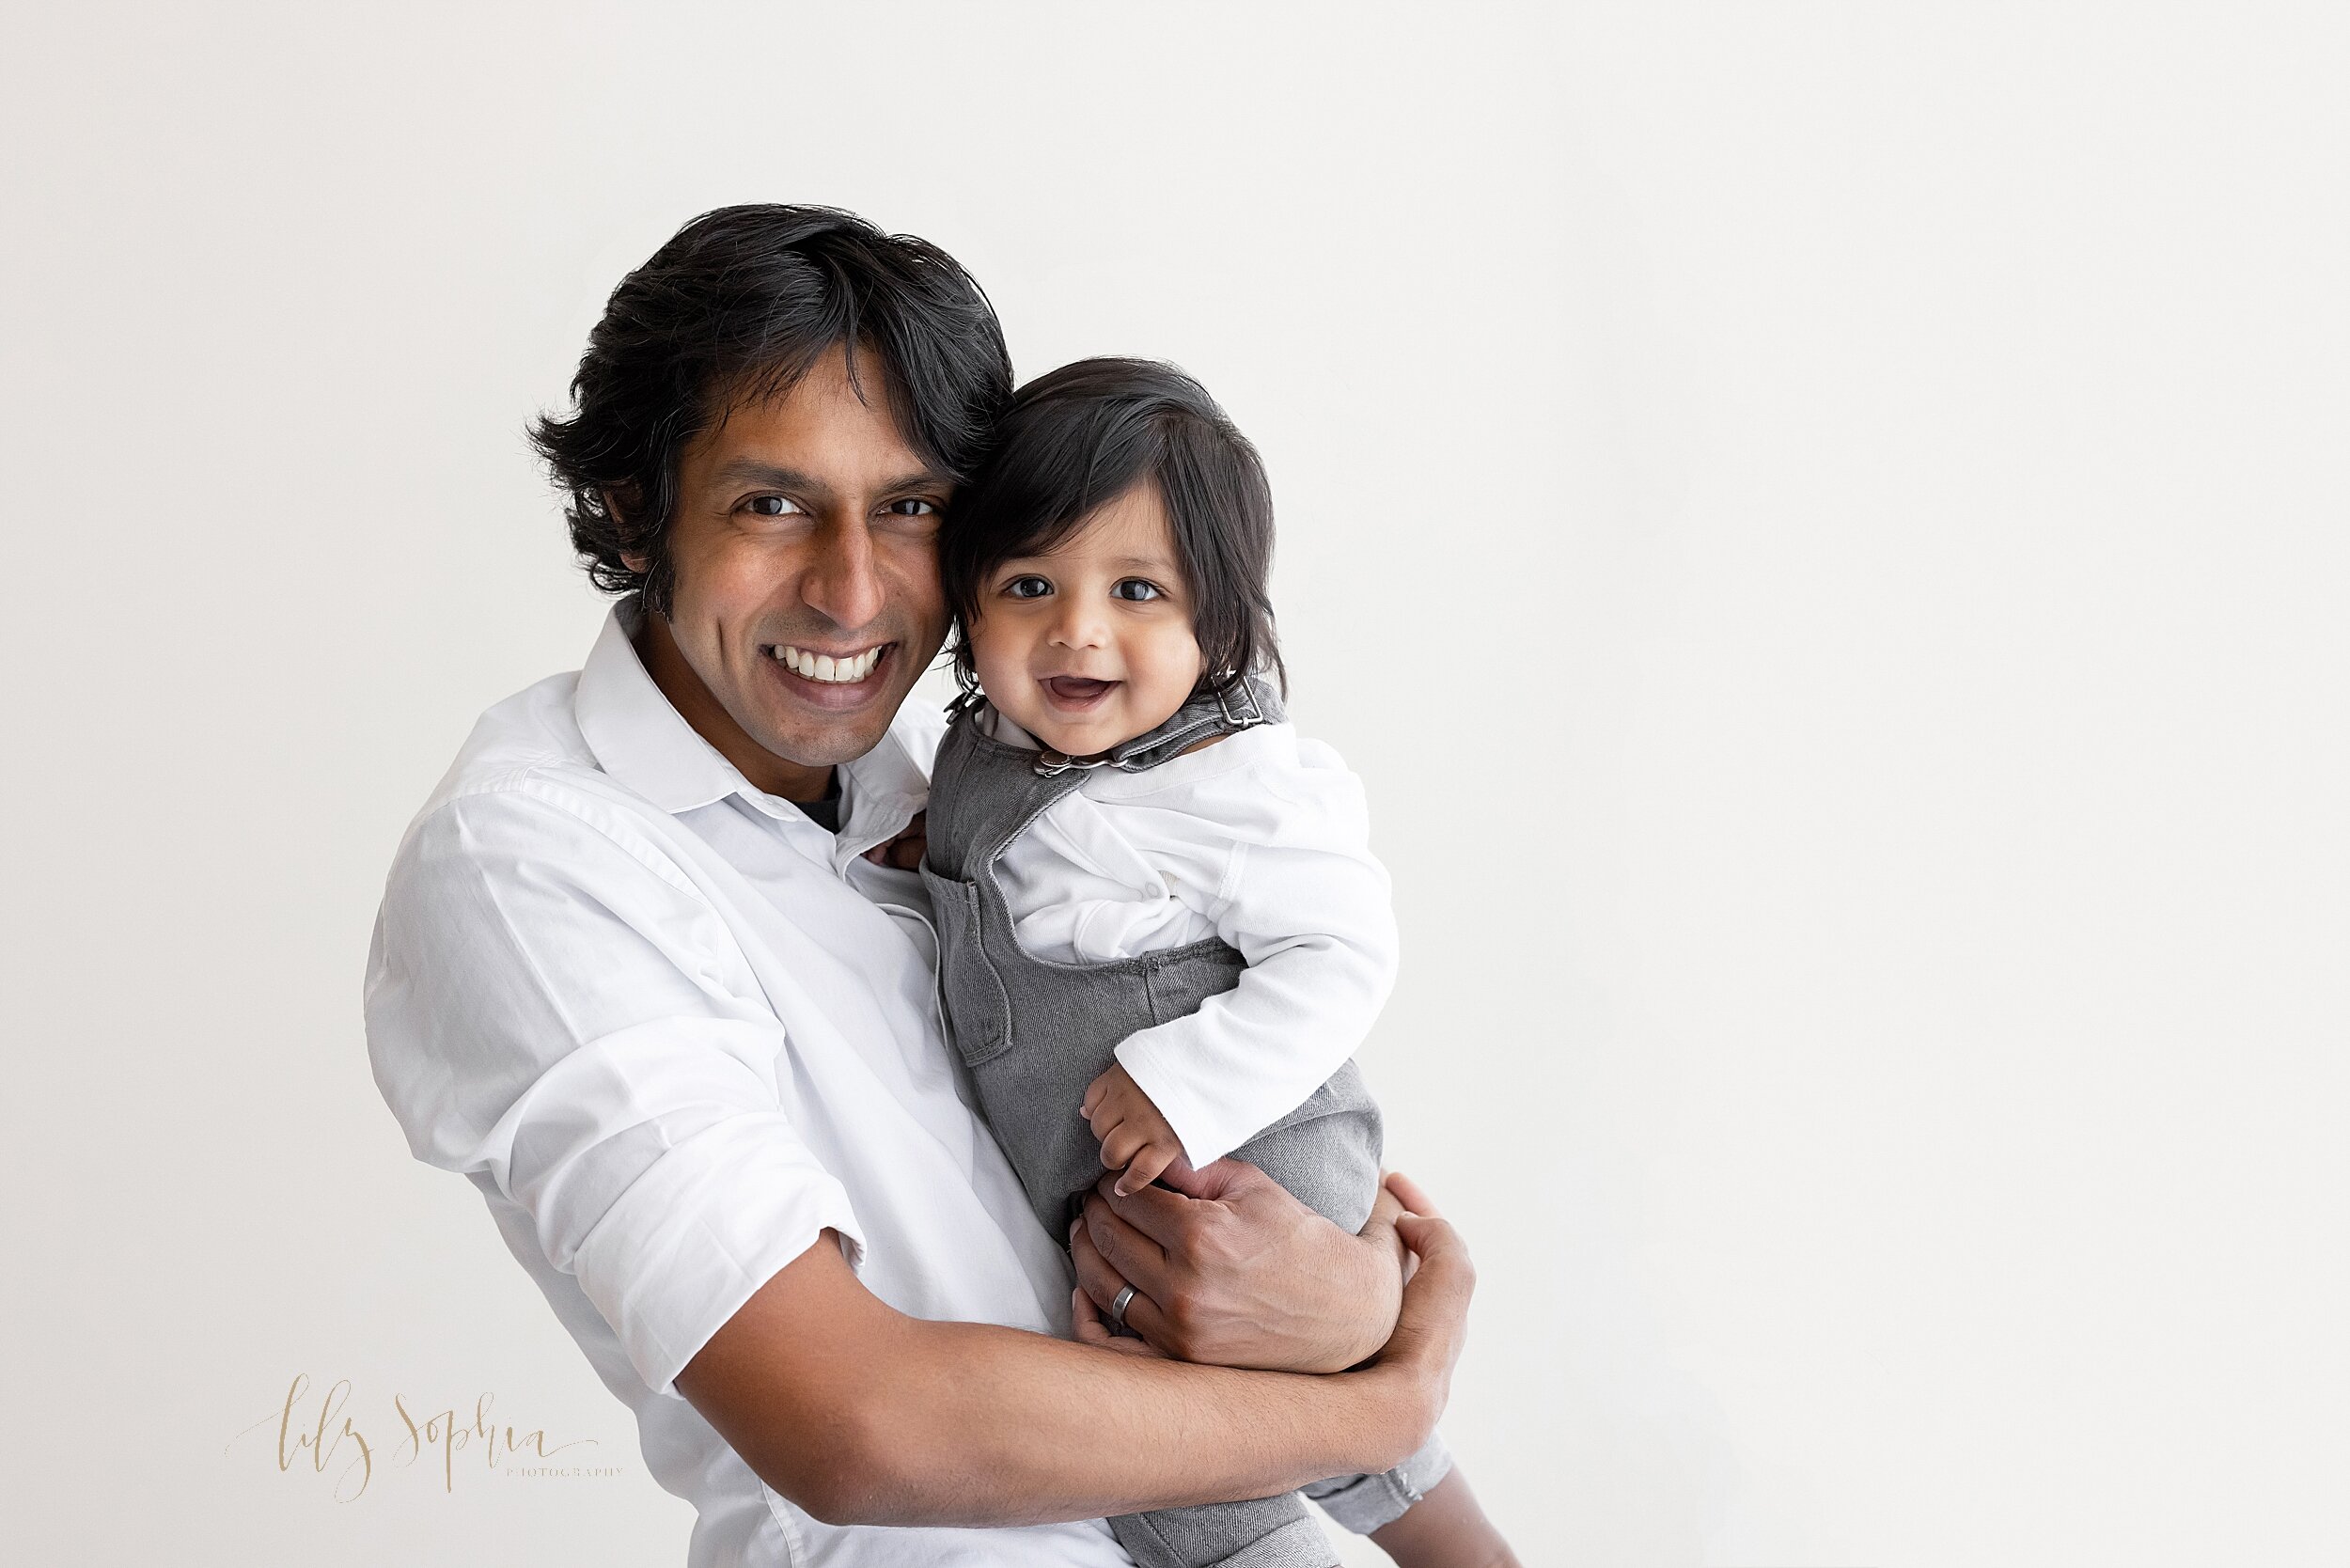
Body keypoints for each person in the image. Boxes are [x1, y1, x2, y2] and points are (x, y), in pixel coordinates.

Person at [363, 204, 1492, 1568]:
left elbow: (1259, 1137)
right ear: (630, 507)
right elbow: (856, 1426)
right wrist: (1379, 1401)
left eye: (908, 510)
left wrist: (1358, 1306)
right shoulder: (531, 860)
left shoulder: (950, 778)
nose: (850, 594)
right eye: (771, 503)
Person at [923, 356, 1513, 1568]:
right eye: (1030, 583)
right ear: (966, 609)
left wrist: (1188, 1085)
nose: (1079, 629)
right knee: (1317, 1436)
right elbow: (1000, 867)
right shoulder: (987, 752)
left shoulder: (1235, 786)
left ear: (1223, 625)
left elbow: (1345, 951)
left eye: (1139, 589)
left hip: (1253, 1167)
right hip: (1130, 1206)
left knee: (1189, 1492)